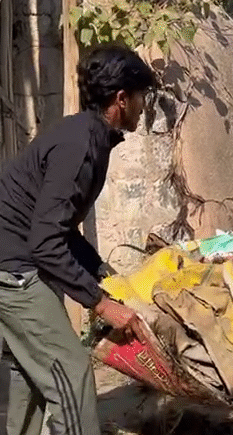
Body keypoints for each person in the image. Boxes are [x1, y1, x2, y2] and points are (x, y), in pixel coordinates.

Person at [0, 45, 158, 435]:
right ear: (121, 99)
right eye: (141, 97)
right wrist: (102, 304)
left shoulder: (89, 135)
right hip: (13, 267)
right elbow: (45, 241)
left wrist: (103, 273)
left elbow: (59, 228)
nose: (143, 106)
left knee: (31, 371)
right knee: (71, 371)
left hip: (17, 257)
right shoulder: (79, 146)